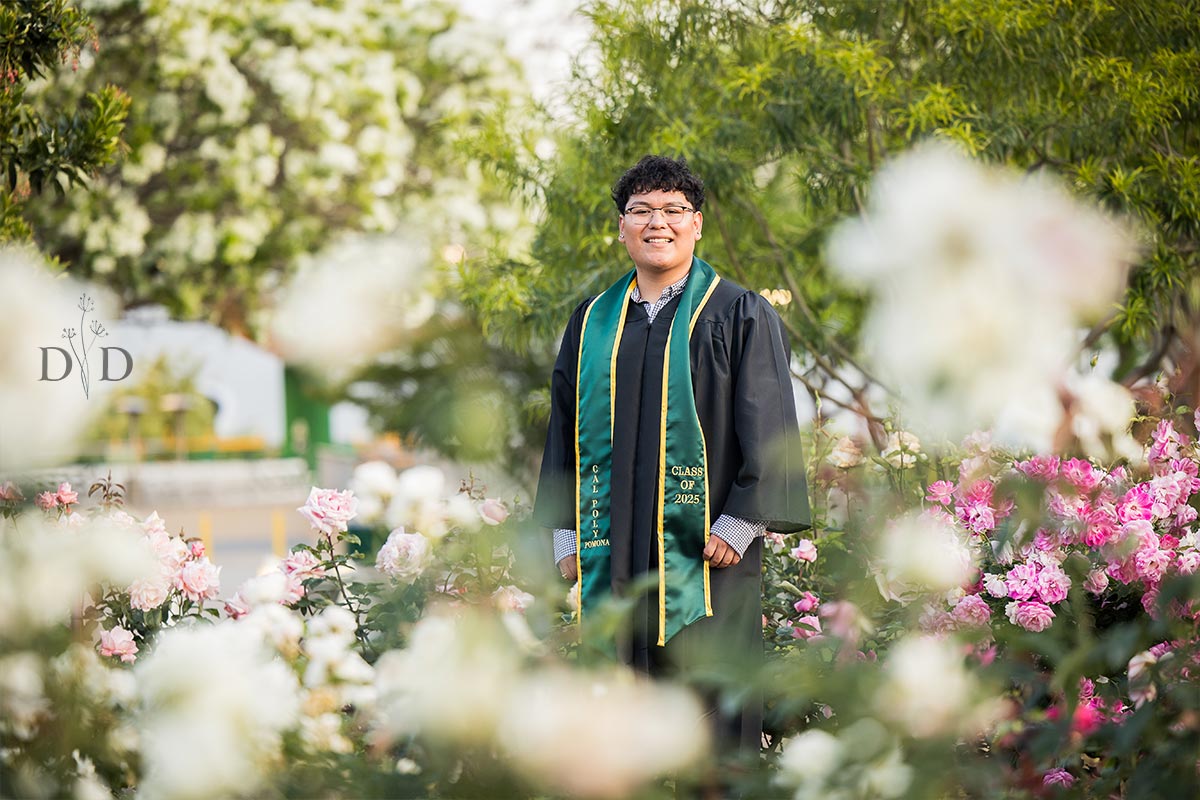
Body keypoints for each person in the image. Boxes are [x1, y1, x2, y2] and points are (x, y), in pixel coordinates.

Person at [533, 154, 811, 763]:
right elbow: (563, 430)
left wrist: (741, 521)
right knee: (616, 714)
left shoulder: (738, 312)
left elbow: (769, 424)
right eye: (641, 211)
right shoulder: (593, 321)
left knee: (712, 709)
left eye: (673, 210)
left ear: (698, 224)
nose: (657, 223)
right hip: (614, 552)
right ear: (622, 226)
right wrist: (563, 530)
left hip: (706, 555)